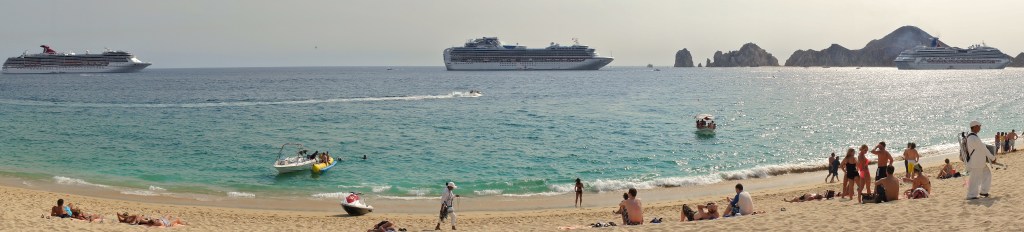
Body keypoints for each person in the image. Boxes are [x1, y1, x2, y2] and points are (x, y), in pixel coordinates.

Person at [965, 121, 996, 200]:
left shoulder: (972, 136)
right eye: (979, 126)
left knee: (987, 174)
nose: (980, 128)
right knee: (974, 179)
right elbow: (983, 148)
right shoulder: (973, 137)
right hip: (977, 162)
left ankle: (984, 192)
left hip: (979, 162)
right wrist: (992, 158)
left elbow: (981, 148)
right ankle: (971, 195)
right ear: (975, 126)